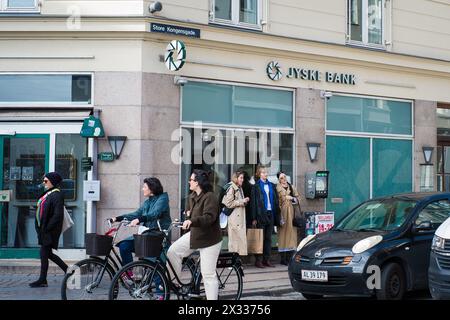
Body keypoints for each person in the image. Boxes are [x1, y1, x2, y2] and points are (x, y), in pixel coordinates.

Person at [167, 169, 223, 300]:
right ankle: (174, 283)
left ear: (197, 182)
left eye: (191, 180)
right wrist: (185, 220)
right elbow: (189, 214)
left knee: (208, 274)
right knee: (172, 251)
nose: (189, 182)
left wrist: (192, 220)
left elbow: (209, 217)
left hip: (210, 239)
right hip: (196, 235)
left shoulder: (210, 197)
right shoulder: (192, 196)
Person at [111, 177, 171, 266]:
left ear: (151, 188)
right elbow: (136, 214)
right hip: (146, 236)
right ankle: (129, 273)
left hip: (157, 236)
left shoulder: (163, 198)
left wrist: (139, 219)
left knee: (151, 264)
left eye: (144, 187)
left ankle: (158, 279)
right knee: (124, 246)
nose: (142, 189)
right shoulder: (147, 202)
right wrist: (118, 218)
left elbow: (155, 213)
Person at [30, 172, 68, 287]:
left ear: (53, 182)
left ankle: (43, 279)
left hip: (49, 230)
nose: (44, 183)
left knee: (44, 253)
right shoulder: (48, 194)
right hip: (44, 229)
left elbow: (58, 215)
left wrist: (46, 228)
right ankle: (69, 271)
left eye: (46, 181)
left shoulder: (57, 195)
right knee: (47, 254)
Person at [250, 165, 280, 268]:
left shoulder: (272, 185)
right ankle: (258, 260)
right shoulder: (256, 186)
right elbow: (253, 203)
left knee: (268, 239)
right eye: (263, 172)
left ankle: (266, 260)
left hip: (270, 213)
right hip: (260, 214)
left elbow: (276, 201)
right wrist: (254, 218)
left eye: (266, 172)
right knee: (260, 238)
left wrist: (277, 215)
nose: (265, 174)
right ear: (259, 174)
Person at [222, 171, 250, 256]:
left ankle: (237, 259)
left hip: (239, 217)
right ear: (236, 178)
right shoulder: (232, 188)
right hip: (234, 218)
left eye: (243, 178)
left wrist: (244, 201)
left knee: (238, 239)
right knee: (234, 240)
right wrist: (243, 201)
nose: (242, 179)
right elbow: (229, 203)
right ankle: (233, 260)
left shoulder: (239, 187)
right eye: (241, 178)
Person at [276, 171, 300, 265]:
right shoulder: (277, 188)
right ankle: (283, 259)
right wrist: (279, 215)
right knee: (283, 235)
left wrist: (293, 199)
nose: (284, 179)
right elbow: (276, 202)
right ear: (278, 179)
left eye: (284, 176)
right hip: (283, 213)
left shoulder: (291, 186)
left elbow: (298, 199)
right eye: (281, 178)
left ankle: (291, 257)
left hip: (292, 213)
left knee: (292, 235)